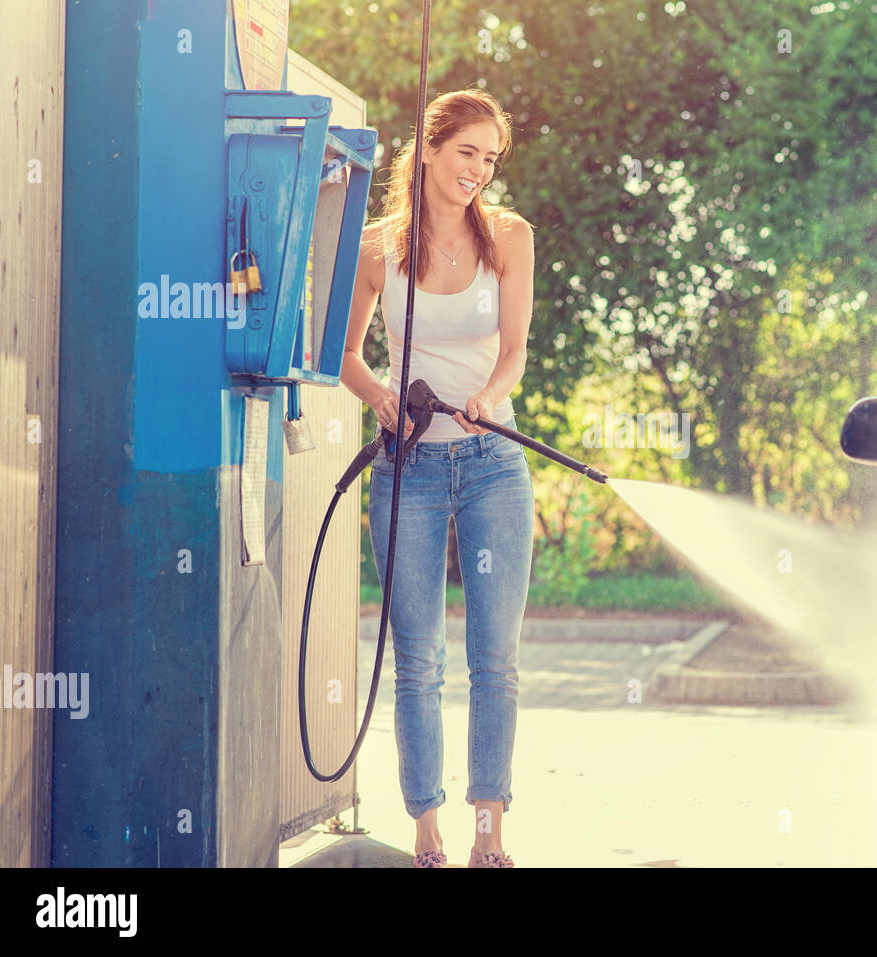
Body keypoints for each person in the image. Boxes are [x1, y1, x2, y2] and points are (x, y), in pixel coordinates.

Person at [340, 88, 536, 869]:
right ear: (428, 149)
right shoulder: (378, 250)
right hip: (408, 468)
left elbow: (515, 347)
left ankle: (490, 828)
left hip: (494, 466)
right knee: (417, 657)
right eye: (467, 153)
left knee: (497, 656)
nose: (479, 172)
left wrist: (489, 397)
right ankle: (427, 827)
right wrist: (382, 400)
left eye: (491, 159)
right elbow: (345, 358)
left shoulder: (510, 239)